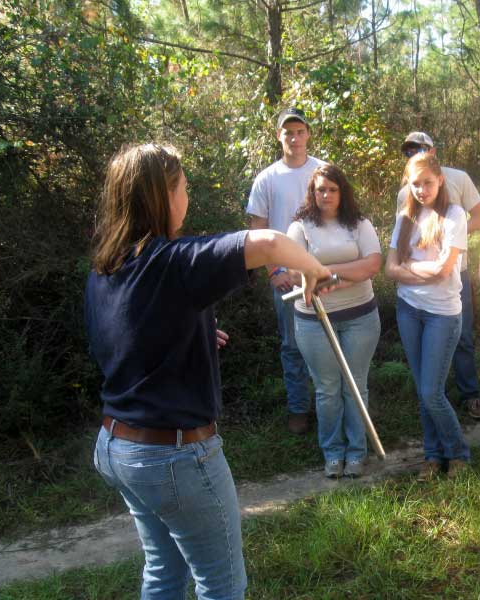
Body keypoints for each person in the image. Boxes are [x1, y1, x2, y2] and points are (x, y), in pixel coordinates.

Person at [87, 143, 331, 599]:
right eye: (183, 186)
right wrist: (314, 268)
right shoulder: (173, 261)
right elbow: (269, 243)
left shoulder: (107, 266)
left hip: (118, 445)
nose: (188, 195)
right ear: (162, 196)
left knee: (164, 571)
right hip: (173, 455)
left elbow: (124, 338)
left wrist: (191, 331)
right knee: (222, 584)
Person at [287, 165, 382, 479]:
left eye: (332, 189)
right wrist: (347, 273)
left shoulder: (359, 224)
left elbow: (372, 265)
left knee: (355, 386)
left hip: (360, 318)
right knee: (327, 389)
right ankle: (333, 453)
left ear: (342, 192)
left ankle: (356, 453)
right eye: (320, 189)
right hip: (314, 321)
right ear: (312, 193)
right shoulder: (299, 228)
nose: (326, 195)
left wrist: (327, 275)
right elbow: (294, 272)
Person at [386, 153, 471, 481]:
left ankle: (458, 453)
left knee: (431, 392)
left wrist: (408, 267)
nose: (421, 190)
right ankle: (433, 456)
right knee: (424, 389)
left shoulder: (454, 215)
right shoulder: (405, 217)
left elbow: (444, 270)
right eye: (415, 183)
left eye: (427, 183)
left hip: (442, 315)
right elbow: (390, 269)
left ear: (440, 180)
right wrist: (423, 270)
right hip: (409, 310)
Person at [246, 107, 327, 434]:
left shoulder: (323, 171)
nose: (294, 138)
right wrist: (273, 270)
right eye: (288, 132)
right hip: (286, 276)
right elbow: (258, 228)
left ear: (308, 134)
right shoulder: (267, 179)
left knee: (329, 340)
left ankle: (330, 406)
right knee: (292, 345)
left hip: (323, 270)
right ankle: (298, 408)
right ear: (279, 136)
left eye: (300, 131)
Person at [398, 132, 480, 419]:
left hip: (455, 272)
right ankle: (437, 399)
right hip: (415, 287)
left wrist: (451, 238)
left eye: (421, 148)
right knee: (428, 354)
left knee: (462, 337)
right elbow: (401, 242)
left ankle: (470, 394)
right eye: (409, 150)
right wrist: (415, 265)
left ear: (433, 150)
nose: (415, 153)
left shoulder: (458, 178)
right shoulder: (406, 192)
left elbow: (479, 218)